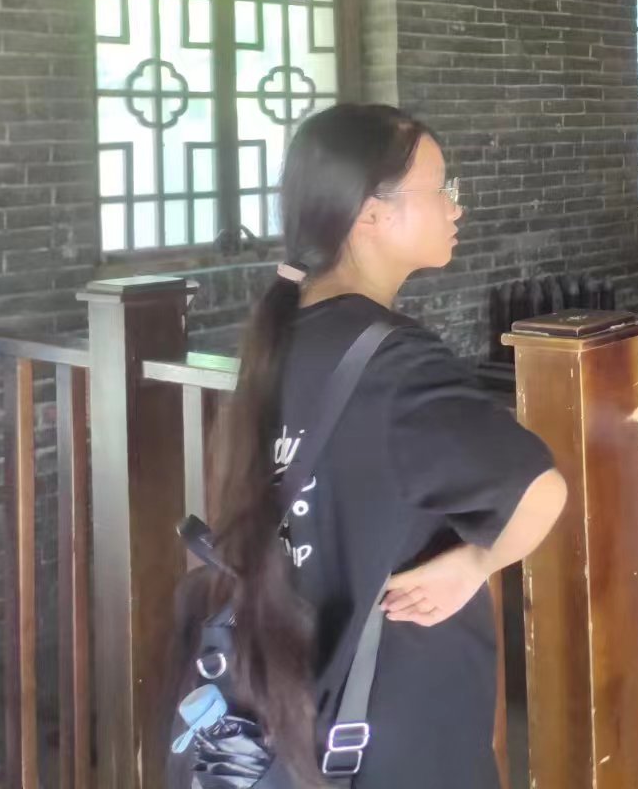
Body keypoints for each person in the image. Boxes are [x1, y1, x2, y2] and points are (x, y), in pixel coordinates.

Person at [205, 103, 566, 788]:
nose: (456, 206)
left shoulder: (282, 338)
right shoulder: (392, 361)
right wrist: (476, 562)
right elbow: (540, 492)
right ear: (370, 213)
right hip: (398, 728)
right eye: (441, 188)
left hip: (296, 707)